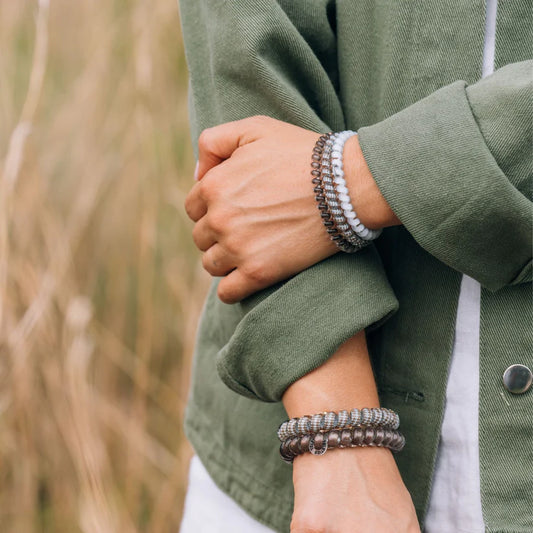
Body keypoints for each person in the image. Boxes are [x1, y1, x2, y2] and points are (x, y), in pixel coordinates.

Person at [178, 1, 532, 532]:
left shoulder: (341, 180)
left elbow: (279, 189)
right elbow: (245, 44)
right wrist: (335, 425)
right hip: (295, 482)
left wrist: (351, 179)